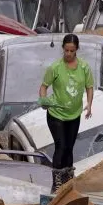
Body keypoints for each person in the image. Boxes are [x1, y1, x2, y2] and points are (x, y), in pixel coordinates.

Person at [38, 34, 94, 190]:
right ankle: (56, 181)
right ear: (62, 48)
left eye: (72, 51)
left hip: (74, 114)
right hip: (56, 114)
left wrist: (89, 104)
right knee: (61, 146)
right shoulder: (55, 67)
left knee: (69, 147)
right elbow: (43, 86)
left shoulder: (84, 67)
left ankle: (68, 179)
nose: (68, 54)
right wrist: (43, 100)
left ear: (77, 50)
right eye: (66, 50)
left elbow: (89, 87)